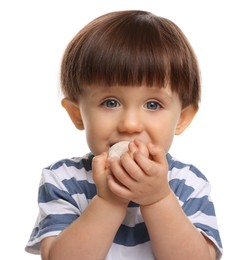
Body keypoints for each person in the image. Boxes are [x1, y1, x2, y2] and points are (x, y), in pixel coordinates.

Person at [25, 10, 223, 259]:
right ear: (77, 114)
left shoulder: (188, 183)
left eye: (152, 105)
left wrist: (158, 199)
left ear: (181, 119)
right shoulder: (63, 179)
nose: (130, 125)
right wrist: (108, 202)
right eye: (110, 102)